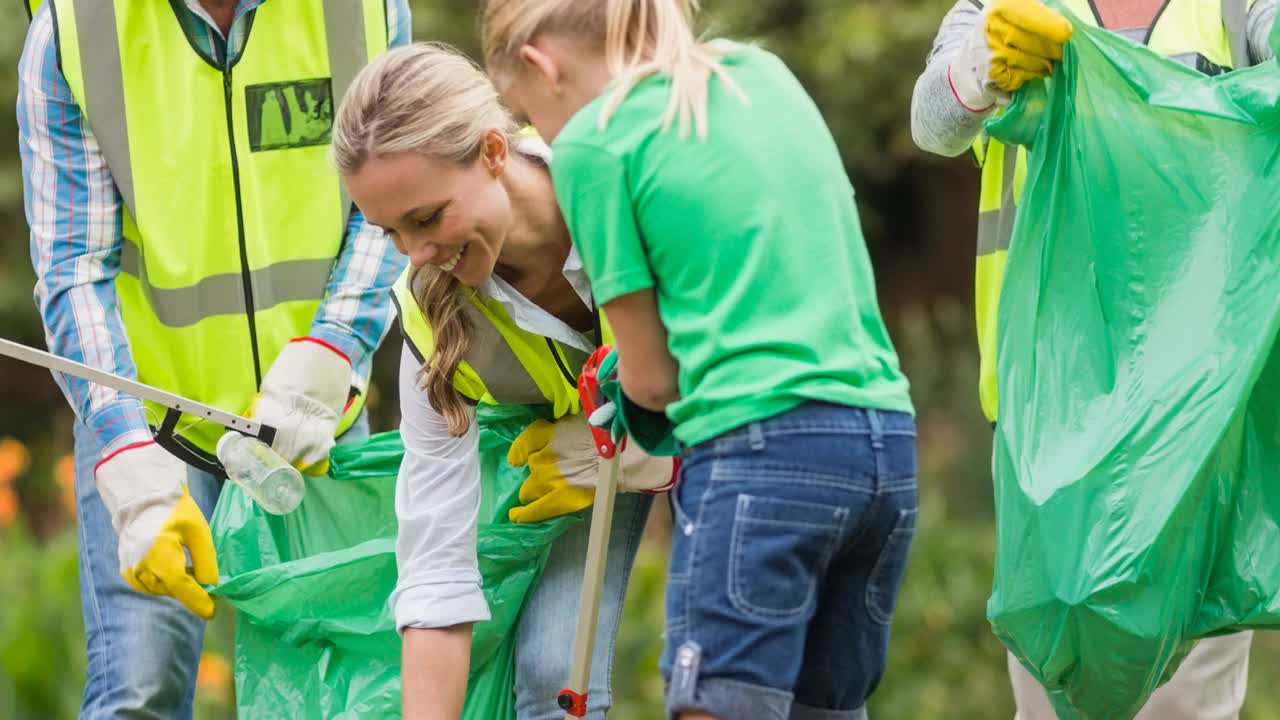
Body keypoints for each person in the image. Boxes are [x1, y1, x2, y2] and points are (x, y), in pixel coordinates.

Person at [478, 2, 921, 719]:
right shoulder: (763, 74)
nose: (542, 140)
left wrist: (626, 400)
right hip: (884, 448)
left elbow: (652, 380)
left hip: (760, 453)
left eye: (527, 113)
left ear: (540, 64)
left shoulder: (594, 143)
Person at [16, 0, 409, 717]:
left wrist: (331, 354)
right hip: (150, 423)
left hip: (315, 423)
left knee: (344, 694)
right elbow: (75, 265)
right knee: (139, 693)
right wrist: (125, 456)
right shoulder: (74, 31)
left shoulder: (367, 11)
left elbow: (394, 206)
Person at [909, 0, 1276, 717]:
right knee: (1054, 696)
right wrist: (982, 66)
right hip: (1047, 423)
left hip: (1194, 423)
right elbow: (932, 123)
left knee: (1187, 707)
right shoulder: (1006, 8)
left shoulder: (1236, 9)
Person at [330, 43, 676, 720]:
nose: (418, 254)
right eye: (390, 233)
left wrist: (654, 447)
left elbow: (758, 389)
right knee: (552, 676)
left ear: (493, 151)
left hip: (730, 437)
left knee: (729, 667)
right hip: (585, 461)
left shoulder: (626, 185)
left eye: (427, 218)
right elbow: (435, 565)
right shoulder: (434, 319)